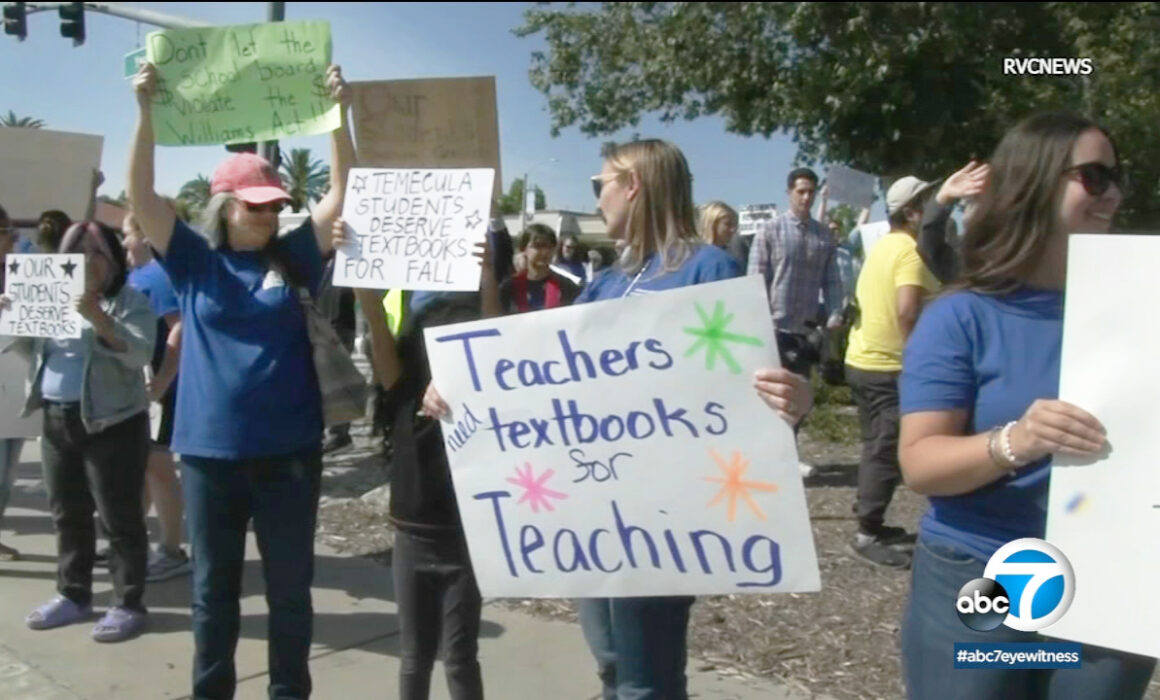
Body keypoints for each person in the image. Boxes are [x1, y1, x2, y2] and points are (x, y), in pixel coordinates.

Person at [898, 112, 1156, 698]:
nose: (1112, 192)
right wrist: (1017, 440)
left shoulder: (1146, 313)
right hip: (985, 569)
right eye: (1092, 177)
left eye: (1117, 178)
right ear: (1033, 182)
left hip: (1118, 572)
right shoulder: (962, 316)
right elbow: (919, 462)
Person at [128, 61, 354, 698]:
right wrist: (145, 113)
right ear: (224, 208)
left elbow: (344, 191)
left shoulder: (295, 255)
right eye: (254, 208)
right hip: (208, 458)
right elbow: (143, 196)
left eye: (275, 206)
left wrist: (340, 116)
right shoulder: (194, 261)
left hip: (290, 455)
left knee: (290, 596)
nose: (267, 216)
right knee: (213, 597)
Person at [561, 139, 812, 699]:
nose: (597, 196)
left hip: (661, 512)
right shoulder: (602, 284)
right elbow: (548, 379)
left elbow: (748, 387)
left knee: (643, 680)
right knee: (609, 662)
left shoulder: (709, 268)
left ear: (633, 185)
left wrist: (794, 400)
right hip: (594, 506)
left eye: (600, 183)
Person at [342, 214, 502, 700]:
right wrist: (359, 272)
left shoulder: (483, 366)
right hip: (412, 527)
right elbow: (378, 335)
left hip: (465, 528)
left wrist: (489, 277)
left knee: (459, 655)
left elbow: (495, 344)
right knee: (414, 658)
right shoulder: (402, 377)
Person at [3, 221, 155, 642]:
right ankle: (73, 594)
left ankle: (128, 603)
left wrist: (100, 320)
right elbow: (30, 350)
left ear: (114, 259)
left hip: (113, 422)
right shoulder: (52, 295)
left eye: (98, 253)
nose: (88, 262)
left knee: (119, 517)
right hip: (56, 417)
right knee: (66, 513)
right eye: (77, 252)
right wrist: (14, 317)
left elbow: (140, 352)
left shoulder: (130, 301)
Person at [843, 175, 940, 568]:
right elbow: (906, 309)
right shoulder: (909, 253)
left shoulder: (884, 246)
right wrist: (918, 356)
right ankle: (866, 532)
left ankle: (870, 515)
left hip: (862, 359)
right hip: (887, 366)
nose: (936, 209)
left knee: (875, 445)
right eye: (929, 203)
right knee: (885, 450)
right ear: (912, 212)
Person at [122, 212, 191, 582]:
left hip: (159, 390)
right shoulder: (136, 276)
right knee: (146, 467)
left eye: (126, 235)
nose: (122, 243)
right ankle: (133, 540)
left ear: (146, 238)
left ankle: (172, 550)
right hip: (143, 389)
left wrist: (163, 382)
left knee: (159, 468)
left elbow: (177, 328)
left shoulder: (157, 277)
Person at [0, 203, 38, 561]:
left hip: (13, 387)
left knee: (6, 469)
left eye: (12, 233)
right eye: (6, 234)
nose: (13, 240)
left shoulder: (19, 274)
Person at [917, 160, 990, 285]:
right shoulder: (967, 260)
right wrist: (943, 198)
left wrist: (943, 199)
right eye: (967, 202)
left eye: (971, 201)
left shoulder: (1015, 255)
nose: (964, 209)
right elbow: (930, 249)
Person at [500, 224, 581, 313]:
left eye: (549, 247)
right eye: (537, 246)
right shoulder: (509, 287)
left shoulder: (566, 287)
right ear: (524, 249)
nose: (544, 252)